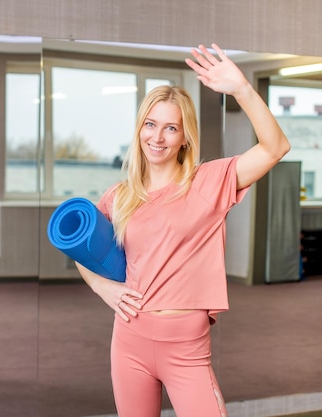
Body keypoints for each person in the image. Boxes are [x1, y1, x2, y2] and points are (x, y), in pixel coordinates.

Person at [75, 44, 290, 417]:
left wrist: (242, 89)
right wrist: (101, 286)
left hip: (186, 347)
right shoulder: (120, 196)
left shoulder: (209, 181)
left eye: (170, 127)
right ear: (140, 129)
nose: (157, 137)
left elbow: (275, 147)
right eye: (150, 124)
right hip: (129, 341)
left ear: (185, 136)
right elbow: (82, 248)